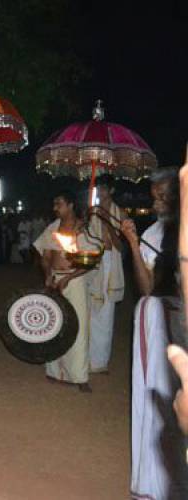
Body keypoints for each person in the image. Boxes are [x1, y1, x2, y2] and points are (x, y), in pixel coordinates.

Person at [121, 167, 188, 497]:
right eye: (155, 196)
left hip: (182, 320)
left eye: (165, 194)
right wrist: (134, 244)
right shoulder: (153, 232)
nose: (158, 201)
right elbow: (147, 287)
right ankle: (152, 482)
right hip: (157, 318)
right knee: (156, 394)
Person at [33, 191, 95, 392]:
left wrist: (67, 278)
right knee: (54, 325)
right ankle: (54, 371)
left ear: (70, 205)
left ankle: (79, 375)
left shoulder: (83, 229)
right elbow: (45, 256)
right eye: (54, 203)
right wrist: (48, 275)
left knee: (78, 325)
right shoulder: (53, 227)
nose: (54, 208)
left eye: (58, 203)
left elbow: (89, 262)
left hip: (74, 281)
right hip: (55, 280)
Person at [87, 175, 126, 373]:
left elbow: (120, 246)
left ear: (111, 191)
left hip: (111, 263)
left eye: (103, 189)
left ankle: (100, 362)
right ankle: (86, 360)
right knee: (91, 312)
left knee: (106, 315)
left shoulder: (121, 213)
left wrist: (108, 223)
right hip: (95, 264)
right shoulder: (92, 212)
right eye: (98, 189)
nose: (100, 192)